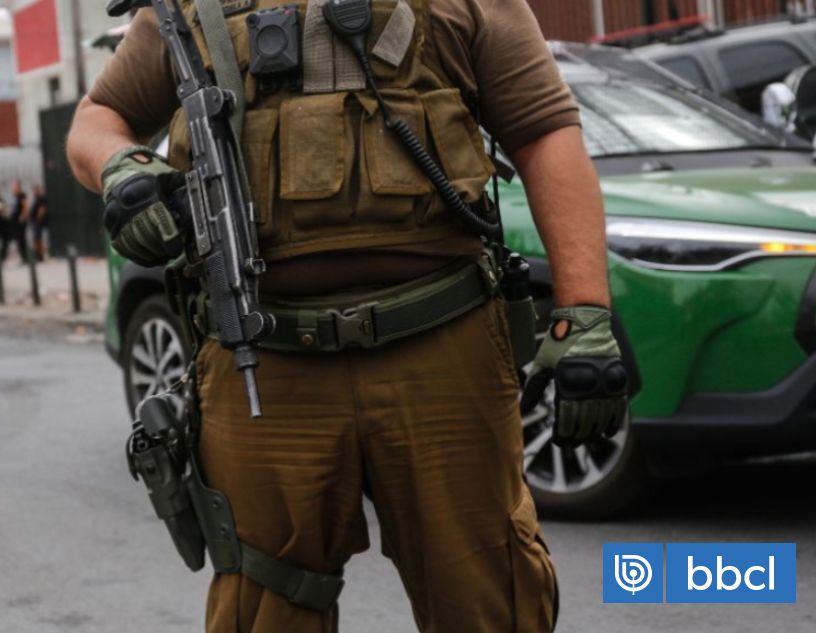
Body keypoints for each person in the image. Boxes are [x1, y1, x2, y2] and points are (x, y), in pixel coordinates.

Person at [68, 0, 630, 632]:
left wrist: (584, 314)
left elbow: (544, 132)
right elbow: (97, 119)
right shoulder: (189, 9)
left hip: (443, 354)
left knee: (488, 596)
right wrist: (121, 167)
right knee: (265, 604)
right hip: (265, 364)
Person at [8, 181, 29, 264]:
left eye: (14, 187)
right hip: (14, 221)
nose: (13, 189)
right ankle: (23, 256)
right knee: (18, 240)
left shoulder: (22, 196)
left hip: (20, 221)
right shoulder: (15, 197)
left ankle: (25, 257)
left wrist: (22, 216)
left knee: (21, 239)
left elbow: (25, 207)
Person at [28, 184, 49, 262]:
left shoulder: (41, 199)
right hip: (34, 222)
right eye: (34, 190)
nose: (34, 192)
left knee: (38, 240)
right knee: (36, 239)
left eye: (36, 190)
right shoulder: (35, 199)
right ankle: (38, 255)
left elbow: (42, 210)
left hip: (38, 223)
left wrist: (38, 219)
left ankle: (40, 256)